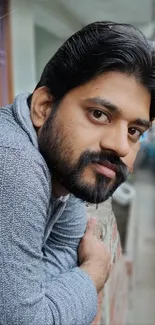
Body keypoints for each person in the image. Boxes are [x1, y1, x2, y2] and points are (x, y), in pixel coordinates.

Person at [0, 21, 155, 325]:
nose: (121, 146)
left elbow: (65, 246)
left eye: (135, 131)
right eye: (99, 114)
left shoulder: (64, 167)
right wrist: (94, 270)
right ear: (44, 107)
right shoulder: (12, 160)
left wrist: (50, 298)